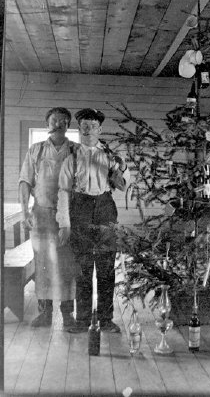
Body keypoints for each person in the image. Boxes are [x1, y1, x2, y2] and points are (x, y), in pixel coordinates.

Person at [56, 108, 130, 333]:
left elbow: (122, 186)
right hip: (80, 209)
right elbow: (62, 192)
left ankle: (106, 320)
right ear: (79, 130)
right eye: (84, 126)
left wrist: (122, 167)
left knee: (107, 267)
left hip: (105, 208)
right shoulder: (71, 157)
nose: (88, 130)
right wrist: (65, 224)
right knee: (83, 269)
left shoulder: (110, 156)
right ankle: (82, 320)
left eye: (92, 126)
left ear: (100, 129)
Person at [19, 107, 77, 328]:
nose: (59, 123)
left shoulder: (76, 150)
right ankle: (45, 313)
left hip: (68, 217)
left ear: (68, 126)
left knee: (67, 265)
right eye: (54, 120)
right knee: (42, 265)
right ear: (47, 124)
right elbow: (25, 181)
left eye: (64, 121)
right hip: (41, 215)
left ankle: (68, 314)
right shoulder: (36, 150)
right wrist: (25, 211)